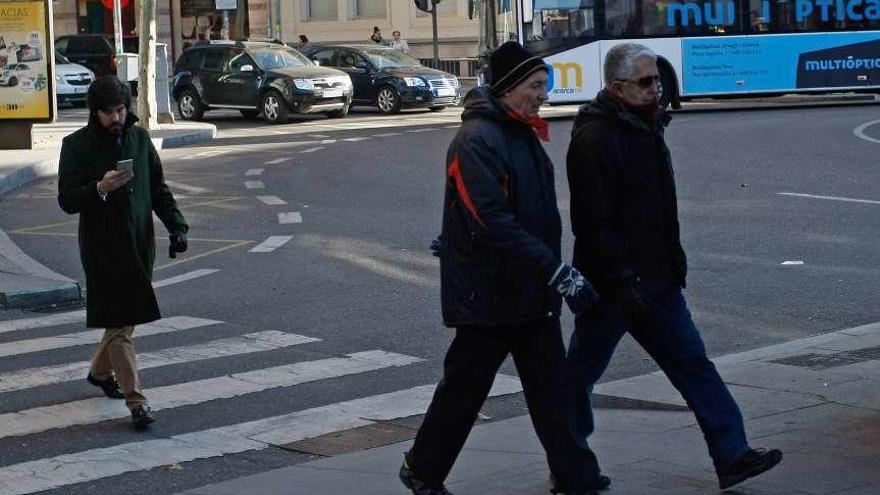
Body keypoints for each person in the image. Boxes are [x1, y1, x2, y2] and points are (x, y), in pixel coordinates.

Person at [565, 42, 783, 491]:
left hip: (657, 281)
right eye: (646, 82)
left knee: (693, 364)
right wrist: (622, 280)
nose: (656, 89)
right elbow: (593, 223)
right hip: (613, 288)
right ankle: (569, 464)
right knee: (578, 378)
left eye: (658, 80)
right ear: (616, 86)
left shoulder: (645, 125)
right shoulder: (595, 138)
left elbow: (658, 211)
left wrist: (671, 265)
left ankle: (732, 455)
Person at [399, 41, 606, 495]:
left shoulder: (519, 131)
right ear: (510, 88)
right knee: (464, 392)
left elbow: (510, 213)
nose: (543, 95)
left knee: (552, 391)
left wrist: (546, 272)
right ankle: (422, 470)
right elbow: (490, 219)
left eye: (544, 86)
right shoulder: (476, 140)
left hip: (527, 293)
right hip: (488, 296)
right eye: (535, 86)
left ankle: (578, 477)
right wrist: (558, 271)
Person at [57, 76, 189, 430]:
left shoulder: (139, 138)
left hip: (139, 243)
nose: (116, 118)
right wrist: (98, 188)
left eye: (120, 110)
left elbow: (158, 188)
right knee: (120, 325)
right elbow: (67, 199)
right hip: (103, 248)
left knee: (122, 322)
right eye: (108, 112)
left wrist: (177, 227)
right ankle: (137, 402)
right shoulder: (77, 145)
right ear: (94, 112)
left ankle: (100, 373)